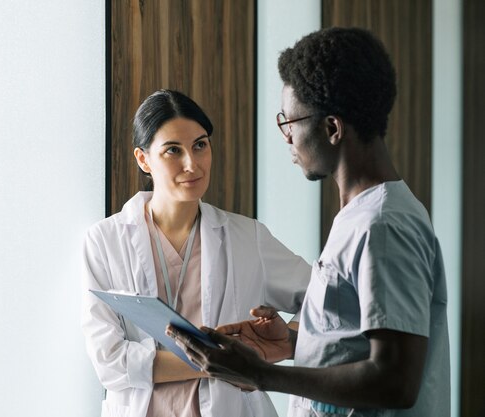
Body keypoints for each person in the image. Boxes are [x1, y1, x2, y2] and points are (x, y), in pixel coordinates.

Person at [168, 27, 450, 417]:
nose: (286, 137)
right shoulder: (360, 217)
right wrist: (293, 341)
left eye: (290, 121)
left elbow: (395, 381)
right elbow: (354, 340)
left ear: (332, 128)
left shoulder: (384, 226)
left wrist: (262, 375)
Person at [81, 89, 311, 417]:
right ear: (143, 159)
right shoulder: (104, 241)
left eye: (200, 145)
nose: (192, 164)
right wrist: (226, 362)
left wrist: (278, 345)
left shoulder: (248, 237)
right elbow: (111, 363)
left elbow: (327, 300)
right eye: (173, 150)